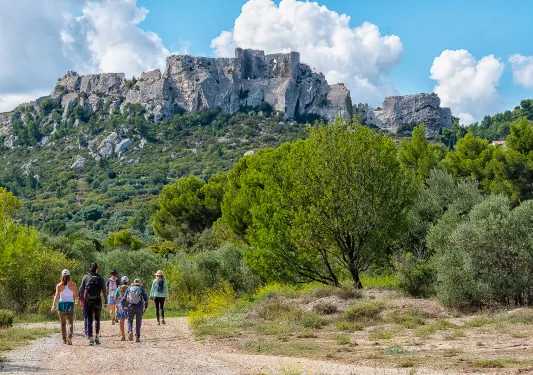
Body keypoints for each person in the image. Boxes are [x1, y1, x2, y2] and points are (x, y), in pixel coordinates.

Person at [80, 263, 107, 346]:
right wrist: (106, 301)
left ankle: (91, 339)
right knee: (97, 319)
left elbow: (81, 290)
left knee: (89, 319)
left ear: (89, 268)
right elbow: (104, 291)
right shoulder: (100, 278)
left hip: (88, 301)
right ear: (97, 269)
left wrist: (81, 300)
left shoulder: (85, 277)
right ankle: (97, 337)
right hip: (98, 300)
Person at [51, 269, 79, 345]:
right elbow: (76, 295)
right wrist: (76, 301)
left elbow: (56, 295)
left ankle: (64, 339)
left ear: (61, 276)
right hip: (70, 305)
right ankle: (69, 337)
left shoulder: (59, 285)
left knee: (62, 323)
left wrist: (53, 305)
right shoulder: (73, 284)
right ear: (69, 276)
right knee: (70, 323)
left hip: (61, 305)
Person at [121, 278, 148, 343]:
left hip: (130, 306)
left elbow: (124, 298)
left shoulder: (129, 288)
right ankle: (137, 337)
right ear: (139, 284)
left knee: (130, 320)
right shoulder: (141, 289)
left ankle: (130, 331)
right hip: (139, 307)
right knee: (138, 322)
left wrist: (123, 306)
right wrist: (145, 308)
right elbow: (146, 299)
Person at [114, 276, 130, 341]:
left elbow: (115, 297)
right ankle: (130, 332)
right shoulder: (130, 288)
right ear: (127, 281)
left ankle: (123, 336)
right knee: (130, 320)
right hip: (129, 305)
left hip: (121, 305)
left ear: (121, 281)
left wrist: (117, 303)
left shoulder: (119, 288)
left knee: (121, 321)